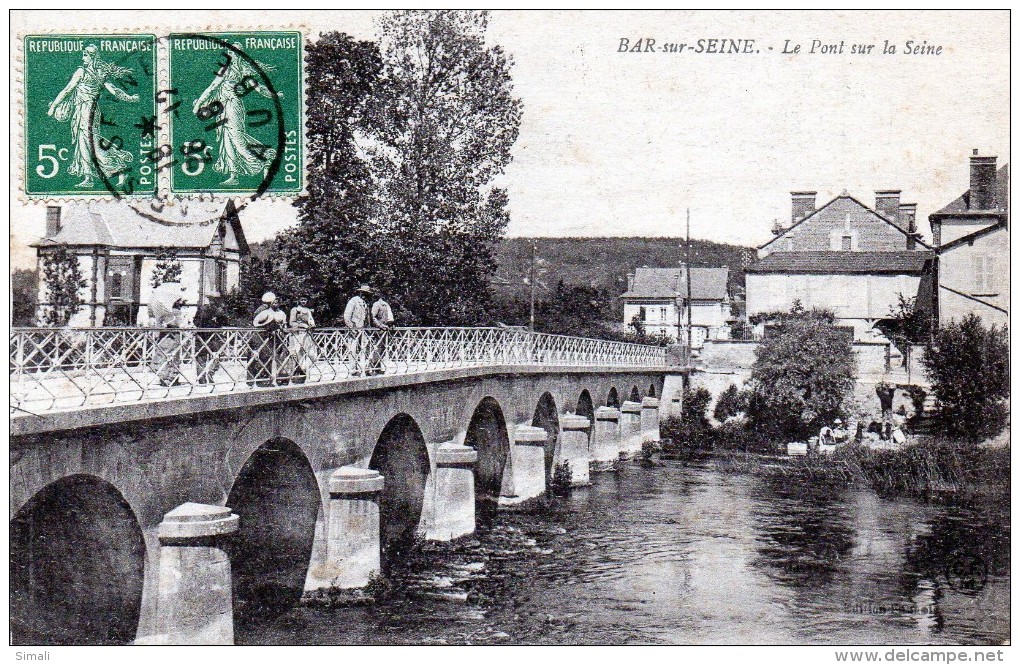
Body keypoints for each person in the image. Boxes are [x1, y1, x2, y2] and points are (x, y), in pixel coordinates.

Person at [47, 44, 139, 188]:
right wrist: (129, 98)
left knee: (91, 143)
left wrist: (53, 107)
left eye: (85, 55)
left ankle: (119, 168)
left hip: (87, 110)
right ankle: (89, 177)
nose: (83, 57)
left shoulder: (81, 72)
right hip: (87, 110)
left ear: (92, 57)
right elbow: (114, 90)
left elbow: (67, 91)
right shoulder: (100, 72)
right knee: (84, 142)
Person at [192, 47, 280, 185]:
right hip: (223, 108)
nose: (231, 54)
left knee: (237, 140)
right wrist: (199, 103)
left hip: (233, 107)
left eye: (234, 52)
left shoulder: (240, 71)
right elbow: (212, 87)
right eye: (231, 52)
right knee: (227, 140)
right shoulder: (227, 69)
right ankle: (234, 176)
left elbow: (258, 88)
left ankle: (265, 159)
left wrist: (274, 95)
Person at [148, 282, 188, 387]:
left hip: (163, 335)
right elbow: (176, 324)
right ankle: (170, 379)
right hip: (172, 336)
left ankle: (164, 377)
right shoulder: (173, 311)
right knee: (172, 356)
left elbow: (161, 322)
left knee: (164, 355)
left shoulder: (163, 309)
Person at [248, 292, 286, 387]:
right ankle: (261, 380)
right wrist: (267, 326)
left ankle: (266, 379)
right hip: (261, 336)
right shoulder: (263, 310)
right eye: (273, 302)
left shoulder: (276, 311)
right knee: (262, 357)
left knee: (267, 357)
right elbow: (256, 323)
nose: (275, 304)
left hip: (269, 337)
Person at [193, 297, 233, 385]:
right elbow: (225, 322)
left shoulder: (201, 309)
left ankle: (202, 378)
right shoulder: (217, 311)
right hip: (212, 337)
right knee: (217, 355)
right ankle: (211, 373)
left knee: (201, 358)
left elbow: (195, 322)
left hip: (201, 336)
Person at [343, 285, 372, 376]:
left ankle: (365, 368)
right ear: (360, 292)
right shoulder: (353, 301)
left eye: (366, 293)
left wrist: (369, 328)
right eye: (363, 293)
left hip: (364, 330)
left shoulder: (366, 303)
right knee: (353, 349)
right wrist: (352, 328)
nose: (364, 295)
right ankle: (353, 370)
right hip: (354, 330)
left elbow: (367, 318)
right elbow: (347, 316)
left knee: (365, 349)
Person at [288, 297, 317, 384]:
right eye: (302, 300)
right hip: (298, 334)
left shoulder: (307, 310)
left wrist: (312, 325)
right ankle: (296, 375)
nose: (303, 301)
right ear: (299, 300)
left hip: (307, 334)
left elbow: (311, 320)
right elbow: (292, 322)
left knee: (310, 353)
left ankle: (305, 372)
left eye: (305, 300)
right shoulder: (295, 310)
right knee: (297, 352)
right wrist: (302, 325)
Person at [369, 290, 394, 375]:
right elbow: (373, 317)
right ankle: (374, 367)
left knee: (382, 348)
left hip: (386, 330)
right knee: (377, 348)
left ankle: (378, 367)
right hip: (380, 330)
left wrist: (391, 325)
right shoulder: (377, 304)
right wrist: (380, 325)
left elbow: (389, 318)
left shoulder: (386, 305)